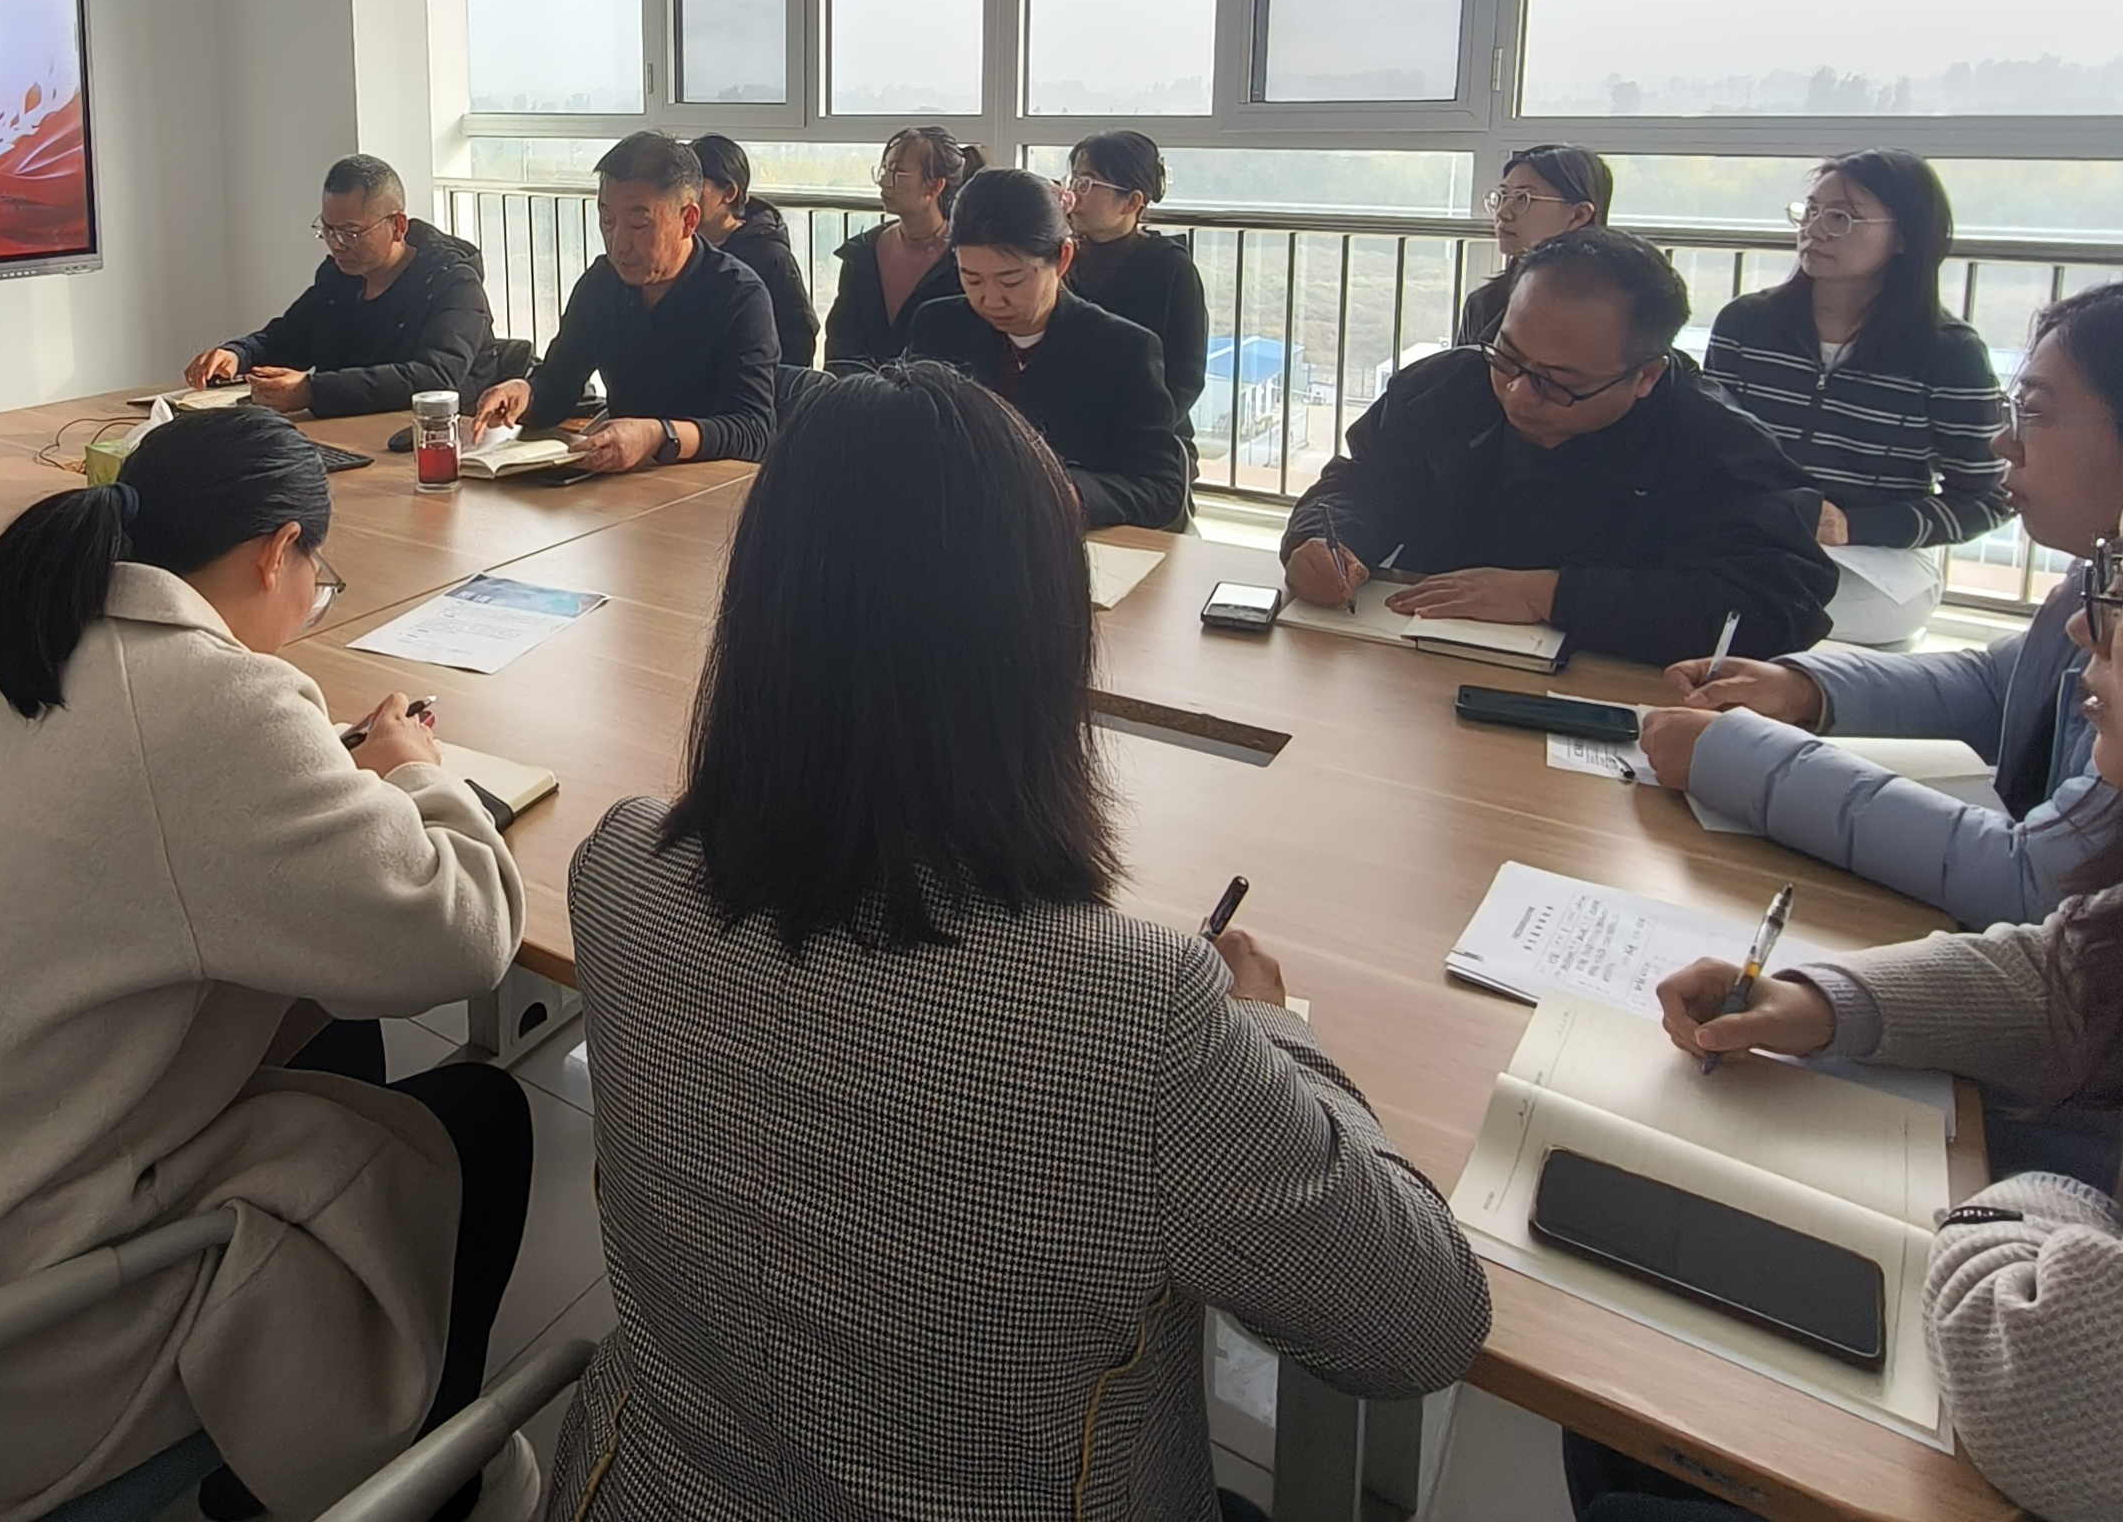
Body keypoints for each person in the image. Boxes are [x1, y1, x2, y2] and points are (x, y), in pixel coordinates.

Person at [546, 363, 1491, 1519]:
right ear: (1040, 643)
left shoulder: (624, 865)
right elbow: (1419, 1327)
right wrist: (1273, 1036)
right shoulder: (1136, 1011)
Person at [0, 409, 534, 1522]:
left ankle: (294, 1392)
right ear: (278, 549)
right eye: (318, 578)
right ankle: (418, 1479)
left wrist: (315, 789)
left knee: (325, 1002)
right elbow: (465, 935)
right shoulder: (215, 702)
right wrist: (416, 772)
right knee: (484, 1120)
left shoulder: (0, 638)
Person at [1635, 387, 2123, 1522]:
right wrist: (1824, 999)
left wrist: (2035, 1203)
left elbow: (2055, 1387)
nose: (2078, 625)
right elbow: (2073, 968)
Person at [1641, 274, 2123, 928]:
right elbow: (2002, 682)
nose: (2004, 441)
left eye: (2032, 411)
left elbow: (2037, 878)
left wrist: (1741, 760)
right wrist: (1806, 688)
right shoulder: (2100, 582)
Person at [1282, 229, 1835, 662]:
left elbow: (1780, 605)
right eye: (1509, 356)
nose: (1520, 393)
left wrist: (1553, 596)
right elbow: (1363, 481)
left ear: (1644, 377)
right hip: (1417, 659)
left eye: (1559, 382)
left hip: (1613, 689)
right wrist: (1326, 540)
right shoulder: (1448, 387)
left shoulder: (1715, 442)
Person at [1700, 152, 2007, 642]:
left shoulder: (1948, 353)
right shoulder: (1746, 325)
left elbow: (1991, 497)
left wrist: (1857, 525)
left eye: (1842, 216)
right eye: (1811, 210)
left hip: (1879, 564)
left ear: (1905, 237)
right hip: (1753, 543)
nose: (1816, 228)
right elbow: (1710, 449)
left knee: (1783, 609)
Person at [469, 131, 777, 469]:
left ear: (688, 220)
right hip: (620, 481)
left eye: (638, 224)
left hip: (708, 486)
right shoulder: (603, 283)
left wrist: (658, 436)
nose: (618, 244)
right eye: (607, 220)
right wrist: (524, 394)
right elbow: (558, 384)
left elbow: (753, 429)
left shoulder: (738, 295)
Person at [906, 168, 1189, 530]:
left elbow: (1161, 486)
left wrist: (1071, 495)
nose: (991, 299)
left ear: (1063, 258)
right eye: (971, 278)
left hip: (1063, 547)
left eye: (1011, 279)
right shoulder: (938, 326)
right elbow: (913, 441)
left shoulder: (1122, 349)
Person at [184, 154, 491, 418]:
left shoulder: (453, 282)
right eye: (328, 230)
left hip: (422, 440)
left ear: (397, 226)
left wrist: (312, 391)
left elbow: (436, 378)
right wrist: (238, 354)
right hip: (344, 432)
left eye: (351, 232)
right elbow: (288, 338)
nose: (337, 245)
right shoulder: (338, 278)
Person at [1062, 129, 1208, 434]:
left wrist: (1145, 431)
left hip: (1146, 432)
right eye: (1073, 181)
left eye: (1087, 184)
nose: (1074, 194)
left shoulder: (1169, 267)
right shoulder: (1060, 256)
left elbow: (1186, 376)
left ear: (1132, 202)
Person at [822, 125, 978, 369]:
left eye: (898, 172)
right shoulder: (862, 252)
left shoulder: (965, 261)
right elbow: (839, 346)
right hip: (860, 398)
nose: (884, 182)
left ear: (935, 185)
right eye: (884, 169)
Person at [1456, 145, 1612, 349]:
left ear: (1579, 215)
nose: (1503, 214)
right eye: (1502, 197)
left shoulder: (1617, 309)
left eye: (1523, 199)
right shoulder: (1484, 304)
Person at [691, 132, 817, 371]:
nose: (684, 196)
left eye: (696, 185)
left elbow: (798, 336)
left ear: (728, 192)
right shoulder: (680, 248)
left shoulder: (770, 255)